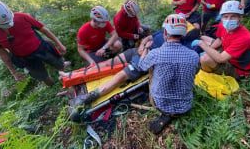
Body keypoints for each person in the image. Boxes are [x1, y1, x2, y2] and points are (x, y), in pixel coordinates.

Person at [69, 14, 200, 134]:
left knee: (122, 75)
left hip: (148, 60)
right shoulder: (193, 55)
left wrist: (146, 49)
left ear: (166, 31)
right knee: (110, 62)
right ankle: (77, 75)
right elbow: (195, 70)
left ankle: (86, 98)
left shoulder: (158, 53)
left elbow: (143, 64)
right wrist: (143, 45)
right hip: (184, 104)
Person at [0, 0, 70, 86]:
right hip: (25, 58)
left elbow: (44, 30)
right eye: (4, 23)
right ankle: (53, 87)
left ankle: (64, 68)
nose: (9, 24)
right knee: (43, 77)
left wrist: (59, 44)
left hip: (41, 48)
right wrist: (13, 72)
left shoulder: (22, 17)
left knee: (59, 64)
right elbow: (2, 53)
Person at [195, 0, 250, 80]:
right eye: (226, 17)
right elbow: (219, 40)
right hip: (227, 51)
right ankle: (208, 63)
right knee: (204, 37)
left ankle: (208, 75)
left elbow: (221, 59)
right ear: (222, 17)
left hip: (237, 68)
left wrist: (202, 45)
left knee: (205, 58)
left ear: (240, 18)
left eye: (233, 16)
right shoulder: (222, 26)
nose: (229, 20)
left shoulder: (245, 38)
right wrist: (210, 49)